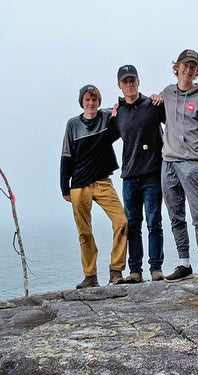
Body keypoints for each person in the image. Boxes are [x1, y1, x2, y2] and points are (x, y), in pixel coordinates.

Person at [158, 49, 198, 289]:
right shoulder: (167, 93)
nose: (189, 69)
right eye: (185, 65)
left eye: (193, 66)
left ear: (197, 70)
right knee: (176, 217)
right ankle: (184, 264)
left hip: (192, 164)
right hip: (168, 164)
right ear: (177, 67)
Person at [60, 84, 128, 288]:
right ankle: (90, 276)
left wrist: (121, 106)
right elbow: (65, 156)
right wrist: (65, 187)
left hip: (102, 182)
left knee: (122, 222)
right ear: (82, 102)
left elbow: (122, 109)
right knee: (84, 232)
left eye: (94, 100)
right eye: (87, 100)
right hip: (79, 184)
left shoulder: (106, 117)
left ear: (99, 102)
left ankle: (116, 271)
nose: (91, 103)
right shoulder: (72, 124)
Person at [113, 65, 166, 283]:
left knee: (154, 222)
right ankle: (135, 270)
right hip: (129, 177)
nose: (130, 84)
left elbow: (175, 121)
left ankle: (156, 268)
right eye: (125, 81)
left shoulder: (152, 105)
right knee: (132, 224)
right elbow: (102, 139)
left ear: (138, 81)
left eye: (132, 80)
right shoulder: (116, 113)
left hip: (152, 173)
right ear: (119, 85)